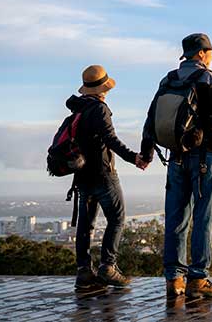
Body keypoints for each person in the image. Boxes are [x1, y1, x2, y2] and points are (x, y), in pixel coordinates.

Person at [139, 33, 212, 298]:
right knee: (205, 219)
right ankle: (198, 278)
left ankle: (174, 279)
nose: (211, 56)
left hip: (175, 158)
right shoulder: (209, 79)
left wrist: (146, 153)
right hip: (205, 160)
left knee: (176, 218)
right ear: (202, 54)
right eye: (210, 52)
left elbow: (151, 119)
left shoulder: (168, 80)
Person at [69, 65, 145, 290]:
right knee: (117, 219)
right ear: (103, 89)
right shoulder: (99, 109)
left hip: (82, 176)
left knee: (86, 224)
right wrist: (135, 158)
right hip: (103, 175)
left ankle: (84, 271)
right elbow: (110, 139)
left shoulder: (78, 109)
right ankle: (108, 267)